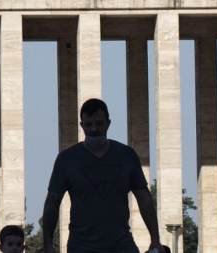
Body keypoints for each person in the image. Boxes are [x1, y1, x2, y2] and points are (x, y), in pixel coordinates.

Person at [39, 98, 162, 253]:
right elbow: (52, 202)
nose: (94, 129)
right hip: (82, 246)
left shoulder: (126, 155)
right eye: (89, 124)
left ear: (108, 123)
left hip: (121, 244)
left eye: (99, 123)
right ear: (81, 126)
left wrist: (155, 239)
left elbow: (144, 197)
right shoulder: (67, 159)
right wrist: (48, 244)